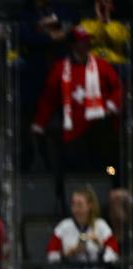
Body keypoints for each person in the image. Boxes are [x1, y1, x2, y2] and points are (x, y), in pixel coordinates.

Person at [32, 26, 123, 173]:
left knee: (109, 160)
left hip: (100, 122)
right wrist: (39, 123)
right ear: (73, 45)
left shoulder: (102, 65)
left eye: (87, 42)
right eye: (82, 42)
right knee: (74, 158)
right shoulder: (60, 68)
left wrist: (110, 106)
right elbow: (49, 98)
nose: (86, 45)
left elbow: (118, 89)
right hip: (73, 124)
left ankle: (112, 175)